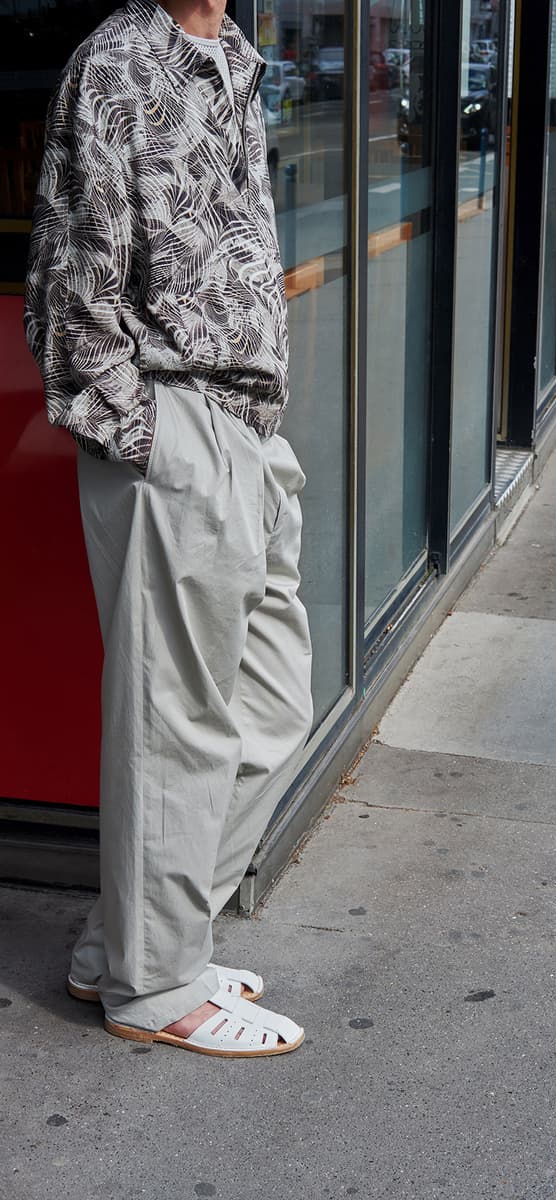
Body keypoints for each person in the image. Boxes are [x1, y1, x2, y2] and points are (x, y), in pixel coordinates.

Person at [24, 0, 313, 1057]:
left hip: (243, 426)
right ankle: (156, 987)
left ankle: (132, 943)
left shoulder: (230, 52)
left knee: (274, 703)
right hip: (175, 425)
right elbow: (69, 277)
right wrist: (145, 434)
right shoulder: (115, 63)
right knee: (176, 722)